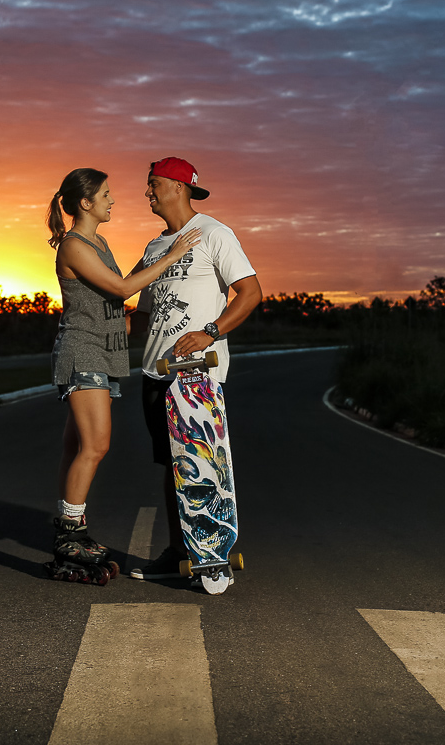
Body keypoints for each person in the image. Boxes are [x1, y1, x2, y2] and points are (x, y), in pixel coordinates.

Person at [45, 167, 201, 583]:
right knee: (95, 446)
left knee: (75, 446)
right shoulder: (75, 246)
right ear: (85, 203)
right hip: (83, 353)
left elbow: (122, 290)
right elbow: (120, 288)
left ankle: (67, 526)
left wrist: (155, 267)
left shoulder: (98, 241)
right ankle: (70, 534)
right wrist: (171, 257)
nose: (113, 200)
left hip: (100, 351)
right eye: (106, 194)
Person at [127, 157, 262, 581]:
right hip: (154, 373)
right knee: (172, 464)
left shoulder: (214, 234)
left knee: (202, 464)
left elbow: (250, 292)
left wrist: (211, 331)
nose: (147, 192)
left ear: (179, 186)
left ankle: (211, 550)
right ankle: (180, 552)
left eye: (154, 184)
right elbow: (143, 316)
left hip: (196, 374)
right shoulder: (154, 248)